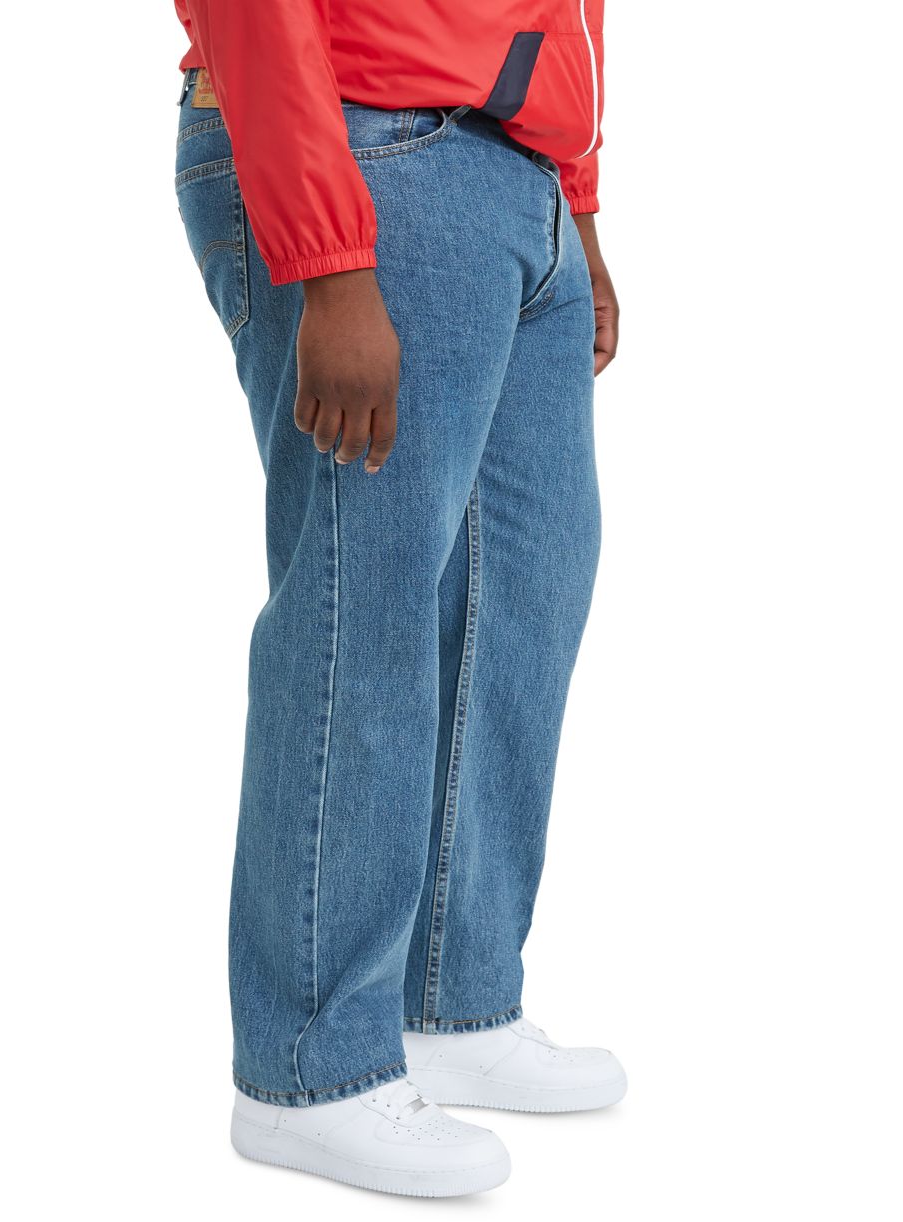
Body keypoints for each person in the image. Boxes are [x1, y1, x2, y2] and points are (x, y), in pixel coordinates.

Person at [172, 0, 624, 1197]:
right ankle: (309, 1068)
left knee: (528, 587)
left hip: (515, 170)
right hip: (368, 146)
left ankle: (452, 1001)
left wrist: (575, 202)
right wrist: (329, 259)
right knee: (360, 600)